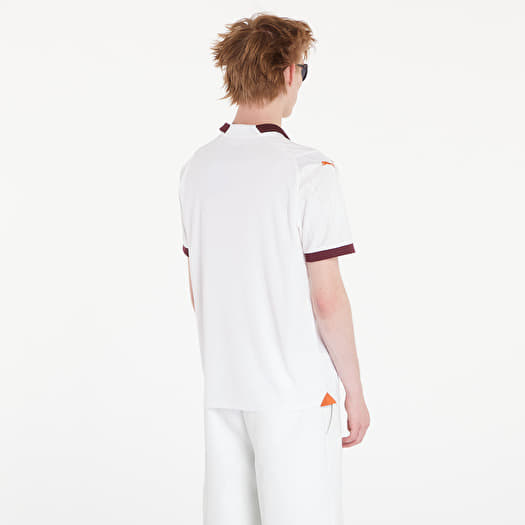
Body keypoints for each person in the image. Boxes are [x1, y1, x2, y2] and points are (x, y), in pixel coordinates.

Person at [178, 13, 370, 525]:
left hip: (224, 389)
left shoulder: (196, 170)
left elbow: (199, 291)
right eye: (302, 70)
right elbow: (327, 298)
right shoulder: (309, 170)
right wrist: (354, 390)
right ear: (289, 72)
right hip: (297, 393)